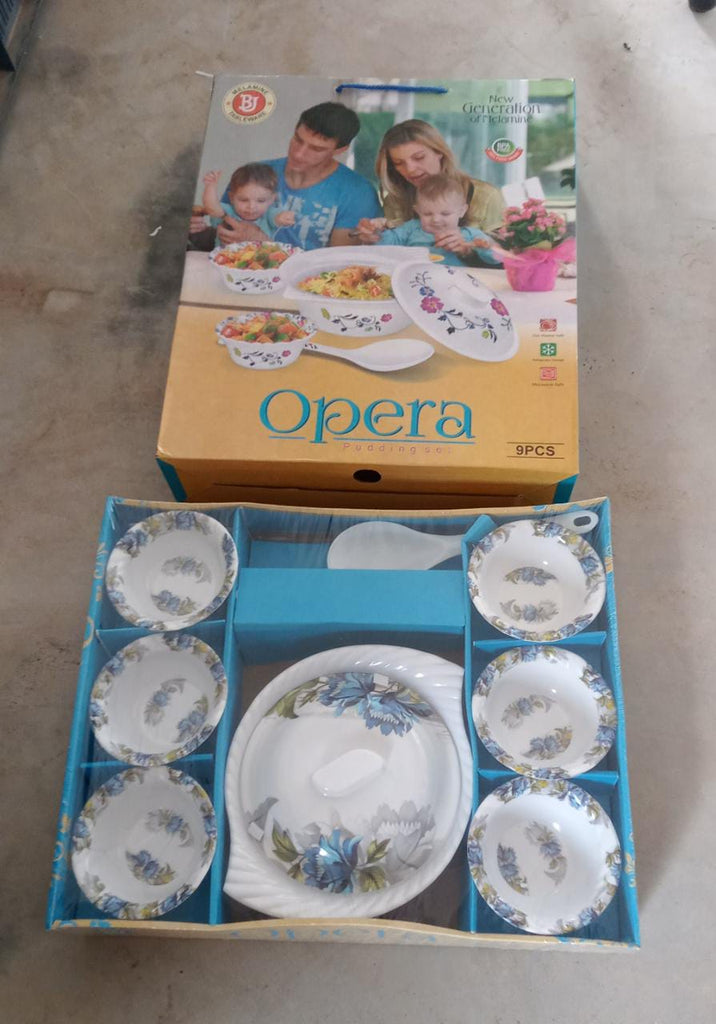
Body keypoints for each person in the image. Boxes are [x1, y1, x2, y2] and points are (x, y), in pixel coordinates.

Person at [189, 102, 382, 251]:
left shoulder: (358, 193)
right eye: (298, 140)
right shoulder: (254, 173)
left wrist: (263, 243)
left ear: (340, 150)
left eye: (316, 149)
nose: (299, 154)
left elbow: (338, 267)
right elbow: (223, 233)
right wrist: (196, 230)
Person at [356, 119, 504, 247]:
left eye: (419, 157)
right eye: (399, 163)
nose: (410, 169)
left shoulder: (486, 196)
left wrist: (470, 246)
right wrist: (374, 237)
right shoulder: (395, 200)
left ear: (439, 152)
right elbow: (390, 249)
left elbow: (506, 255)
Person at [369, 173, 500, 267]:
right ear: (418, 210)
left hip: (454, 283)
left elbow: (496, 258)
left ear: (462, 211)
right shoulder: (411, 228)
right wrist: (377, 231)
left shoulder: (469, 234)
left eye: (445, 214)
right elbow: (386, 244)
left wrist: (486, 246)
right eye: (427, 214)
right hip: (415, 280)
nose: (436, 219)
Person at [201, 162, 295, 237]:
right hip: (225, 256)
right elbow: (212, 208)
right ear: (231, 197)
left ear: (272, 199)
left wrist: (284, 218)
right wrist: (210, 186)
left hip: (259, 256)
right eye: (243, 200)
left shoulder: (268, 214)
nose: (251, 206)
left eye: (261, 201)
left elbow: (277, 218)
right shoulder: (229, 211)